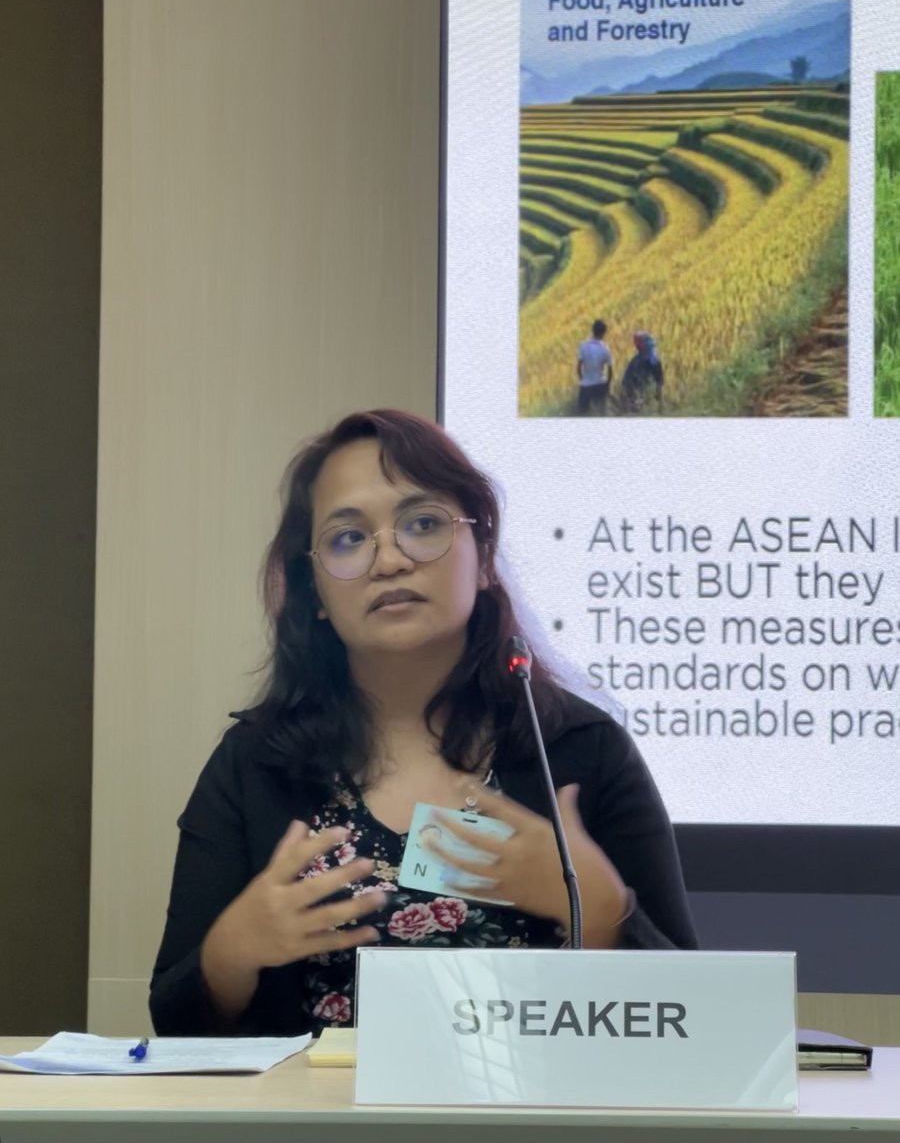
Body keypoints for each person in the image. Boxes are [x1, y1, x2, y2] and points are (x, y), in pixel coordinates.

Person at [150, 409, 696, 1037]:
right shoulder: (256, 763)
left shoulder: (578, 751)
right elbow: (172, 1023)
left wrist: (602, 914)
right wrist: (233, 953)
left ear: (483, 556)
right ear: (315, 593)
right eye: (348, 538)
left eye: (423, 524)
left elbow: (696, 1024)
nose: (389, 559)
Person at [576, 319, 613, 415]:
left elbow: (579, 367)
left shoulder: (583, 346)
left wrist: (582, 380)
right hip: (600, 384)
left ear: (592, 330)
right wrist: (607, 386)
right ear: (603, 333)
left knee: (582, 415)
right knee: (601, 414)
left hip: (585, 386)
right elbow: (610, 371)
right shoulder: (605, 349)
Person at [621, 331, 664, 413]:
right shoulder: (637, 362)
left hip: (644, 400)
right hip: (639, 400)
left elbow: (659, 382)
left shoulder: (642, 362)